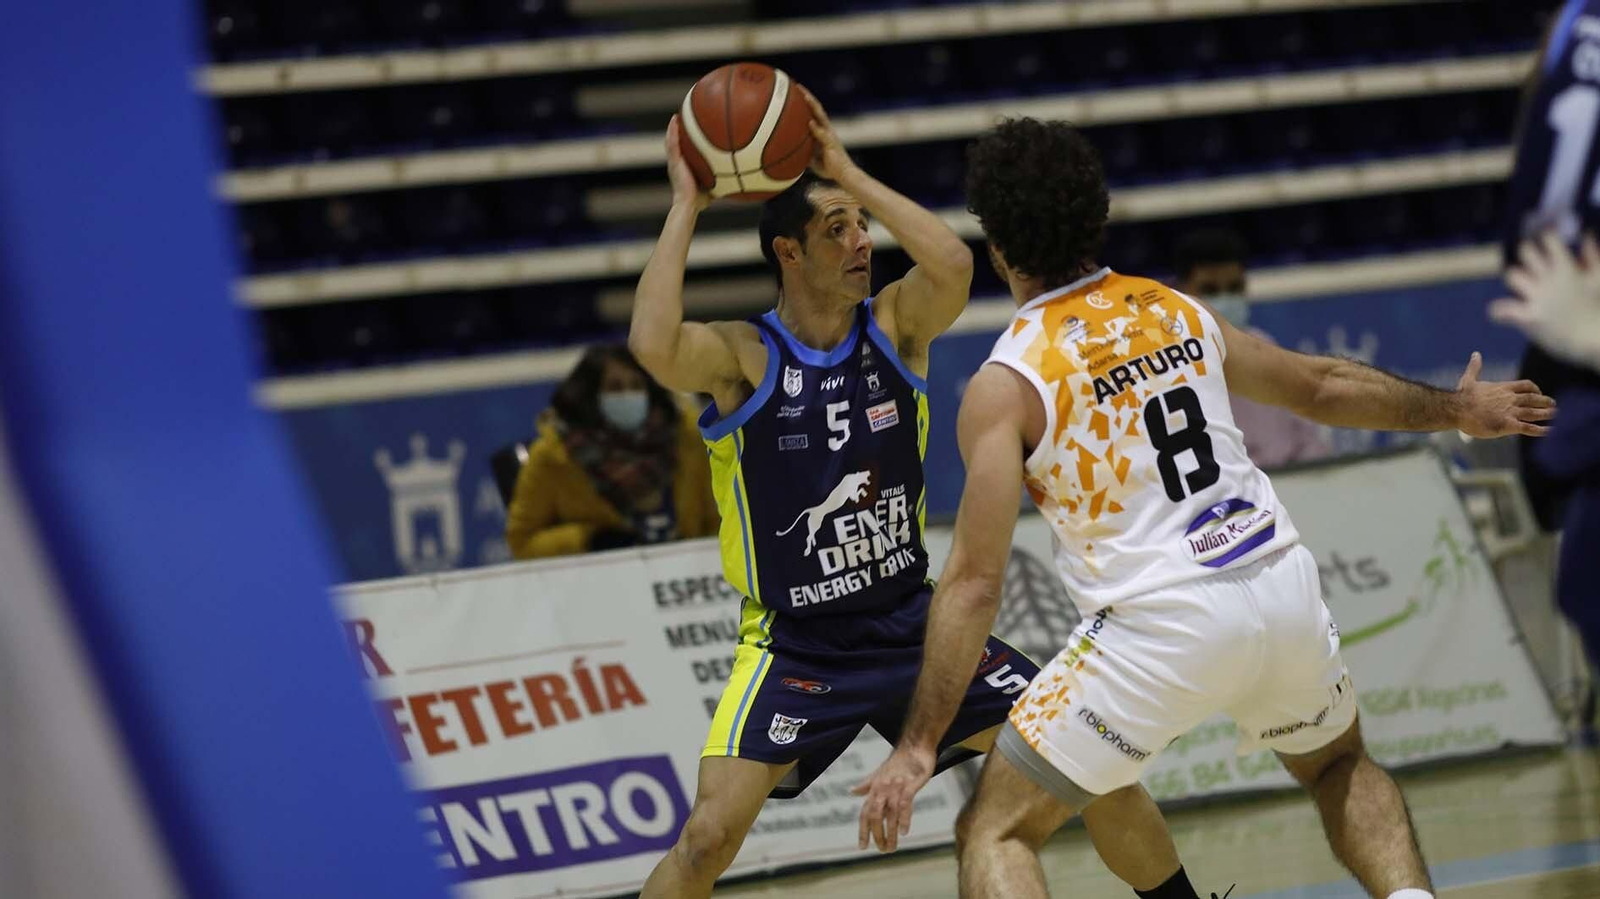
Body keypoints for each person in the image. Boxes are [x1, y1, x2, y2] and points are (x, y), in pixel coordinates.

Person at [856, 117, 1557, 899]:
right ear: (1097, 218)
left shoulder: (1007, 380)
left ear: (998, 252)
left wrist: (919, 745)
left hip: (1158, 626)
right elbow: (1320, 387)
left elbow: (974, 582)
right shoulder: (1174, 309)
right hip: (1276, 578)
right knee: (1338, 764)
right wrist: (1456, 408)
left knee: (997, 828)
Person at [628, 92, 1134, 899]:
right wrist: (687, 202)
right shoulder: (745, 357)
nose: (862, 242)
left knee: (1092, 761)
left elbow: (956, 265)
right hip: (795, 641)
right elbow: (652, 344)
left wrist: (845, 172)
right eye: (837, 229)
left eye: (861, 225)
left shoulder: (895, 325)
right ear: (788, 252)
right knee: (706, 837)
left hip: (913, 624)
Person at [503, 344, 717, 559]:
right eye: (615, 387)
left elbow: (721, 521)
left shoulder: (688, 437)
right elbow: (522, 542)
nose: (628, 395)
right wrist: (589, 539)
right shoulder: (553, 456)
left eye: (636, 386)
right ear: (590, 395)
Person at [1175, 228, 1331, 469]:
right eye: (1210, 290)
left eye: (1234, 288)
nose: (1225, 299)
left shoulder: (1265, 347)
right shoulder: (1169, 366)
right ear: (1183, 291)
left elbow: (1308, 437)